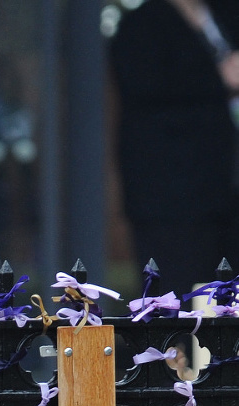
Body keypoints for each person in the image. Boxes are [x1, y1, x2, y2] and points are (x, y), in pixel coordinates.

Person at [110, 0, 239, 297]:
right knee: (179, 303)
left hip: (227, 195)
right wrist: (220, 80)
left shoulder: (226, 14)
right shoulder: (141, 26)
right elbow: (146, 90)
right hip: (174, 202)